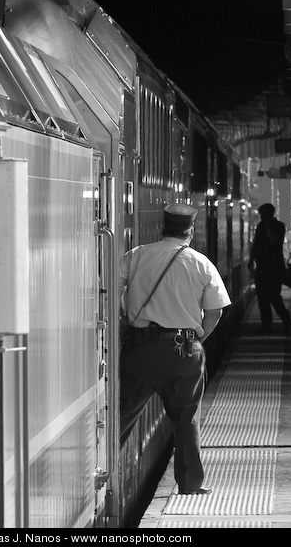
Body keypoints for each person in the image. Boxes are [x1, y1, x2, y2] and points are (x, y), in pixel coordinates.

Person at [119, 203, 231, 496]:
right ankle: (190, 484)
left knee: (122, 414)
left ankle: (98, 473)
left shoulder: (136, 255)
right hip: (184, 350)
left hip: (141, 349)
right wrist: (198, 340)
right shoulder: (201, 263)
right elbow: (215, 311)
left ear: (162, 229)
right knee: (186, 418)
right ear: (190, 231)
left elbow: (111, 290)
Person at [248, 203, 291, 334]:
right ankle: (266, 326)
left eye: (263, 215)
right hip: (261, 267)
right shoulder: (260, 226)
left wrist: (267, 227)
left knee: (274, 296)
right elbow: (256, 244)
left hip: (275, 267)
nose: (262, 217)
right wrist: (251, 259)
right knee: (262, 298)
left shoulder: (279, 226)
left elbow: (275, 242)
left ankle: (286, 319)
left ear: (270, 214)